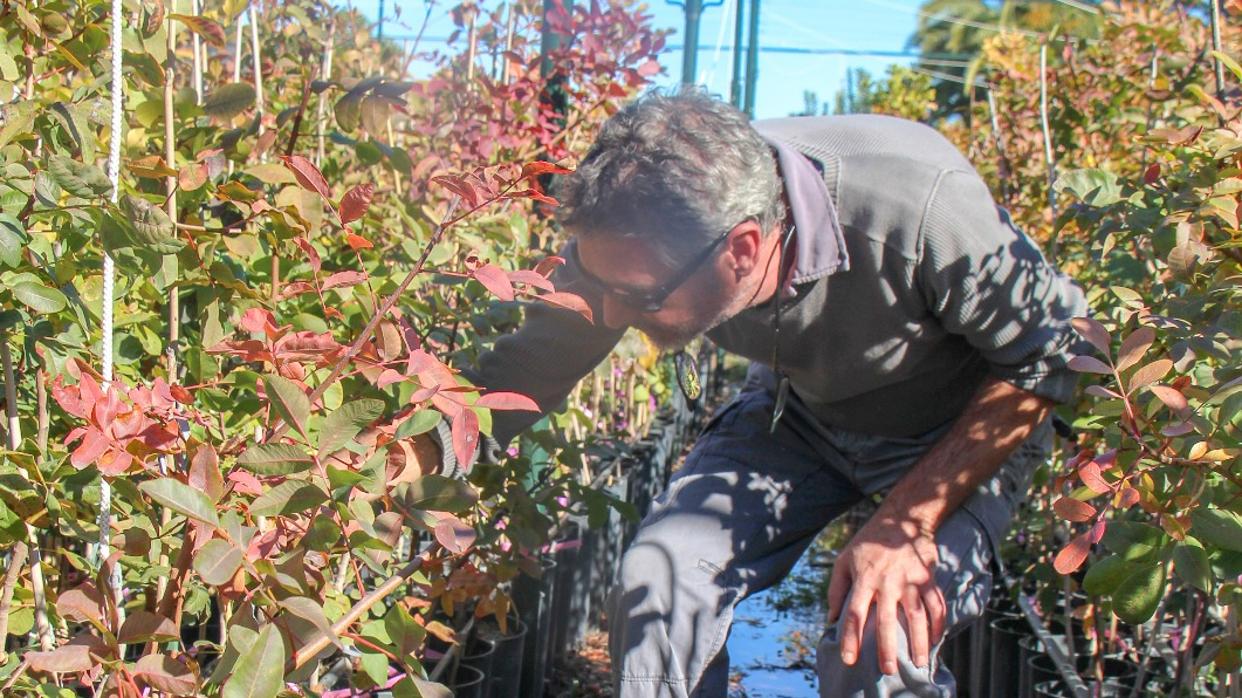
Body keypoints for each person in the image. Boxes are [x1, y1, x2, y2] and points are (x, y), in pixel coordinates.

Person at [442, 89, 1086, 697]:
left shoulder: (916, 207)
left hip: (952, 432)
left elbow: (1058, 347)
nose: (608, 317)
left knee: (882, 632)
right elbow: (530, 366)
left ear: (744, 249)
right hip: (799, 415)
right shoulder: (640, 226)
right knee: (661, 579)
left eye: (638, 298)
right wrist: (387, 467)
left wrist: (910, 519)